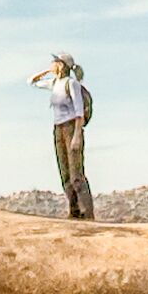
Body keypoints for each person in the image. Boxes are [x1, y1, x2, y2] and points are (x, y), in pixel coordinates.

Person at [31, 50, 94, 219]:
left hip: (72, 127)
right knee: (65, 173)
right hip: (58, 128)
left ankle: (86, 213)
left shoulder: (71, 84)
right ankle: (74, 211)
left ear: (62, 65)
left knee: (76, 174)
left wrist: (77, 136)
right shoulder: (54, 83)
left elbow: (79, 111)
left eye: (55, 62)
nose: (52, 64)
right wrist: (47, 72)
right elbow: (32, 81)